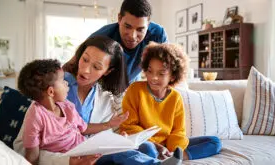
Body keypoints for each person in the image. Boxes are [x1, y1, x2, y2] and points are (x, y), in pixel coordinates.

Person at [14, 36, 183, 165]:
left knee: (147, 148)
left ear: (107, 72)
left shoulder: (106, 100)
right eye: (85, 59)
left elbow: (97, 133)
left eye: (96, 67)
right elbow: (25, 148)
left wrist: (117, 138)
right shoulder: (48, 92)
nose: (85, 69)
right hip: (66, 158)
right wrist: (67, 161)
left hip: (93, 153)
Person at [119, 42, 222, 161]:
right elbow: (128, 126)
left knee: (214, 142)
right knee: (148, 149)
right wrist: (156, 146)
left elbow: (178, 131)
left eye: (161, 73)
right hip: (144, 143)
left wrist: (173, 149)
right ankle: (163, 158)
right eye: (150, 71)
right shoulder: (135, 90)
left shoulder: (176, 97)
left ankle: (175, 158)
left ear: (173, 76)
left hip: (168, 145)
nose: (153, 77)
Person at [17, 59, 103, 165]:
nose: (67, 83)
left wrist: (109, 125)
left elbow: (84, 128)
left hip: (85, 151)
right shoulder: (35, 115)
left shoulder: (67, 105)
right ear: (51, 91)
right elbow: (32, 156)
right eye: (63, 81)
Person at [64, 0, 168, 83]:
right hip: (104, 87)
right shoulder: (102, 36)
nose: (132, 36)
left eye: (140, 29)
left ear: (148, 25)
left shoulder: (158, 35)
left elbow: (167, 69)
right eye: (127, 27)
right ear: (119, 18)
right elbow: (70, 66)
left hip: (132, 83)